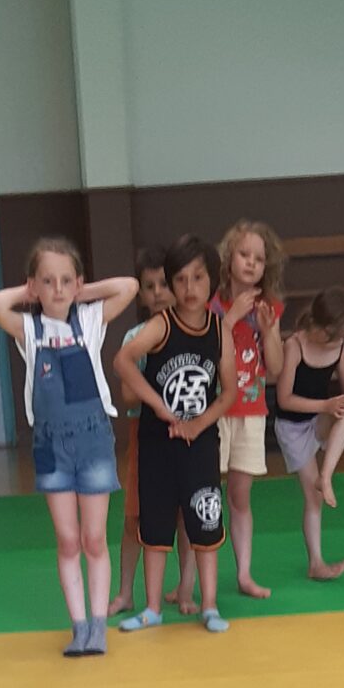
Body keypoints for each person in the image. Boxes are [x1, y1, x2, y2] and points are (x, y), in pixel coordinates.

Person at [0, 239, 138, 658]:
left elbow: (128, 287)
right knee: (68, 540)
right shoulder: (28, 328)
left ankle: (98, 626)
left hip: (92, 439)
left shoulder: (89, 318)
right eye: (48, 281)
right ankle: (78, 626)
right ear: (33, 285)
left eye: (66, 280)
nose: (58, 289)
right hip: (51, 444)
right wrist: (29, 292)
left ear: (79, 283)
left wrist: (80, 293)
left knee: (94, 538)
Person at [115, 237, 237, 634]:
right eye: (180, 279)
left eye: (198, 278)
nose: (189, 287)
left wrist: (198, 424)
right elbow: (123, 360)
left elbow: (230, 392)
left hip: (200, 444)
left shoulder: (219, 330)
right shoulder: (160, 325)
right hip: (157, 443)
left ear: (212, 281)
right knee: (154, 524)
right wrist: (158, 405)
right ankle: (152, 607)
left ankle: (210, 604)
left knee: (205, 519)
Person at [107, 249, 193, 621]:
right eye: (149, 286)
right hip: (146, 433)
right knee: (135, 517)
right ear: (140, 293)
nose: (157, 293)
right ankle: (126, 592)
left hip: (187, 433)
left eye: (163, 284)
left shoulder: (195, 332)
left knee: (187, 517)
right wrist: (158, 397)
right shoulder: (135, 337)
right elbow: (128, 395)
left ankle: (185, 587)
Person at [215, 218, 286, 603]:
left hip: (251, 410)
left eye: (258, 259)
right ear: (229, 258)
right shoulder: (212, 303)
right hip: (214, 410)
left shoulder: (268, 307)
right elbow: (207, 350)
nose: (251, 263)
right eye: (244, 254)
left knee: (240, 495)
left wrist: (269, 329)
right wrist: (229, 318)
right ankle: (192, 577)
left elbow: (274, 367)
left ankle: (244, 572)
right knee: (203, 495)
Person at [274, 291, 344, 581]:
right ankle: (316, 562)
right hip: (292, 426)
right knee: (313, 499)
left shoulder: (338, 348)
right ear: (318, 328)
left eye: (342, 339)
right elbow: (284, 399)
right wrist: (326, 405)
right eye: (334, 337)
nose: (338, 343)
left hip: (318, 418)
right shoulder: (295, 345)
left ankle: (326, 475)